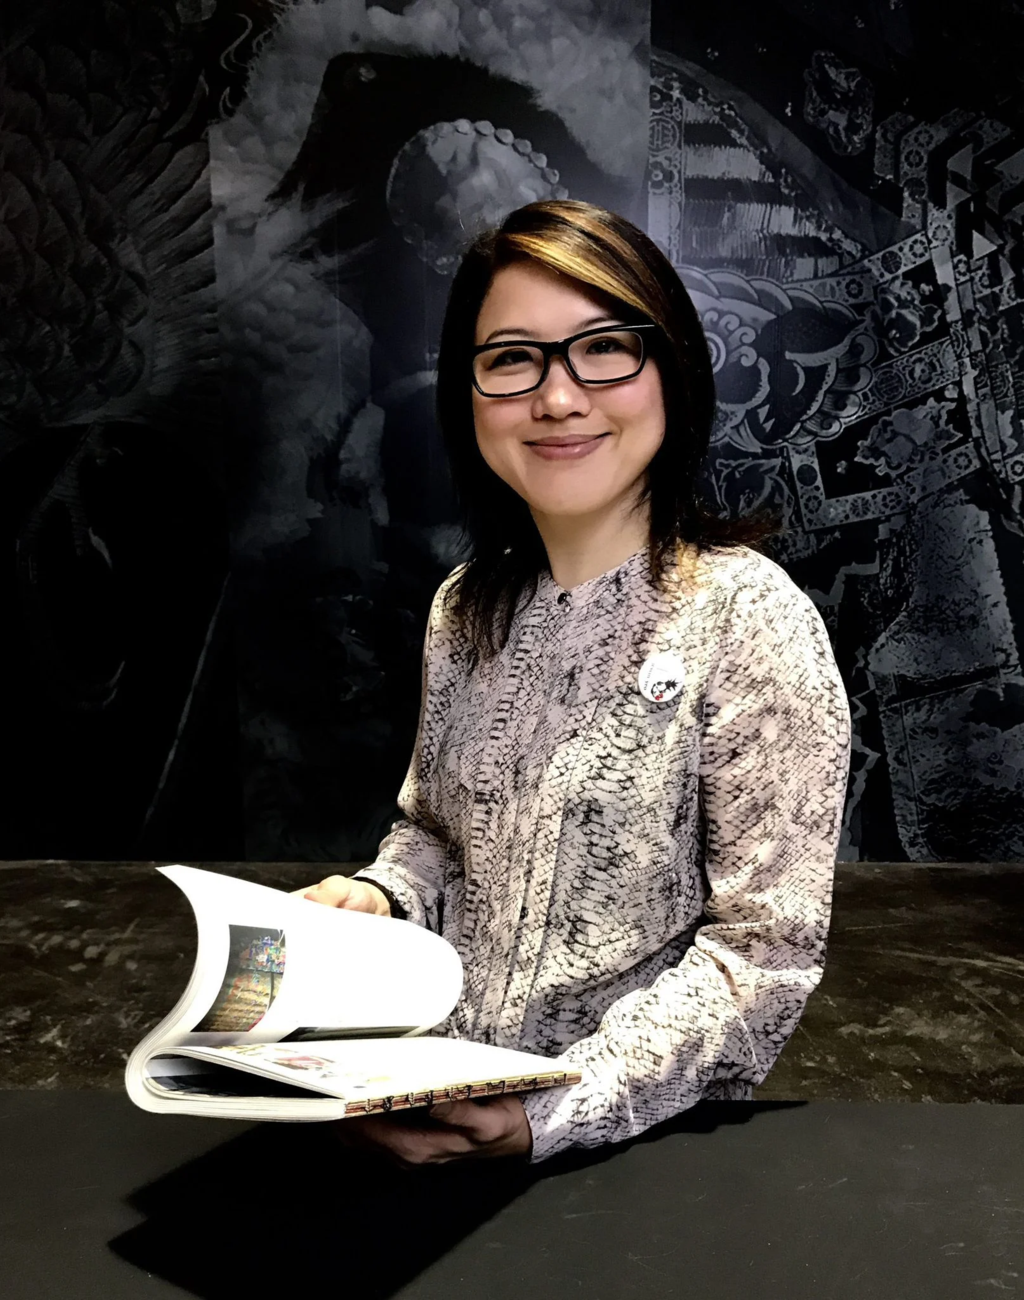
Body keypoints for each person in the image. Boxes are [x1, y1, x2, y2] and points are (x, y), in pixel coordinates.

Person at [297, 200, 852, 1166]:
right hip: (431, 1104)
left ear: (671, 369)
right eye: (513, 359)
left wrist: (557, 1110)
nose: (557, 398)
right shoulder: (465, 607)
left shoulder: (748, 616)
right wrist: (380, 895)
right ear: (470, 394)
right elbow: (436, 837)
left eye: (604, 349)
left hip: (630, 1159)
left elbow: (763, 954)